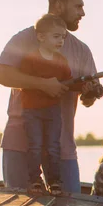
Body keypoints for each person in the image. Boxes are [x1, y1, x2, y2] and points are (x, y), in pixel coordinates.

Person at [0, 0, 103, 193]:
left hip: (62, 145)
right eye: (78, 6)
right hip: (21, 141)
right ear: (59, 6)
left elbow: (87, 101)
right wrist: (43, 84)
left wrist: (90, 94)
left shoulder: (82, 50)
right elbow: (0, 74)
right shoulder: (25, 38)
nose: (83, 13)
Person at [20, 14, 72, 195]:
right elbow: (22, 82)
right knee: (35, 145)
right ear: (41, 37)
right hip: (31, 110)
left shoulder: (62, 61)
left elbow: (70, 83)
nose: (61, 41)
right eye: (56, 36)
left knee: (52, 145)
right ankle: (34, 179)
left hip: (53, 110)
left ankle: (54, 181)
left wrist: (89, 86)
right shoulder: (29, 59)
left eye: (63, 37)